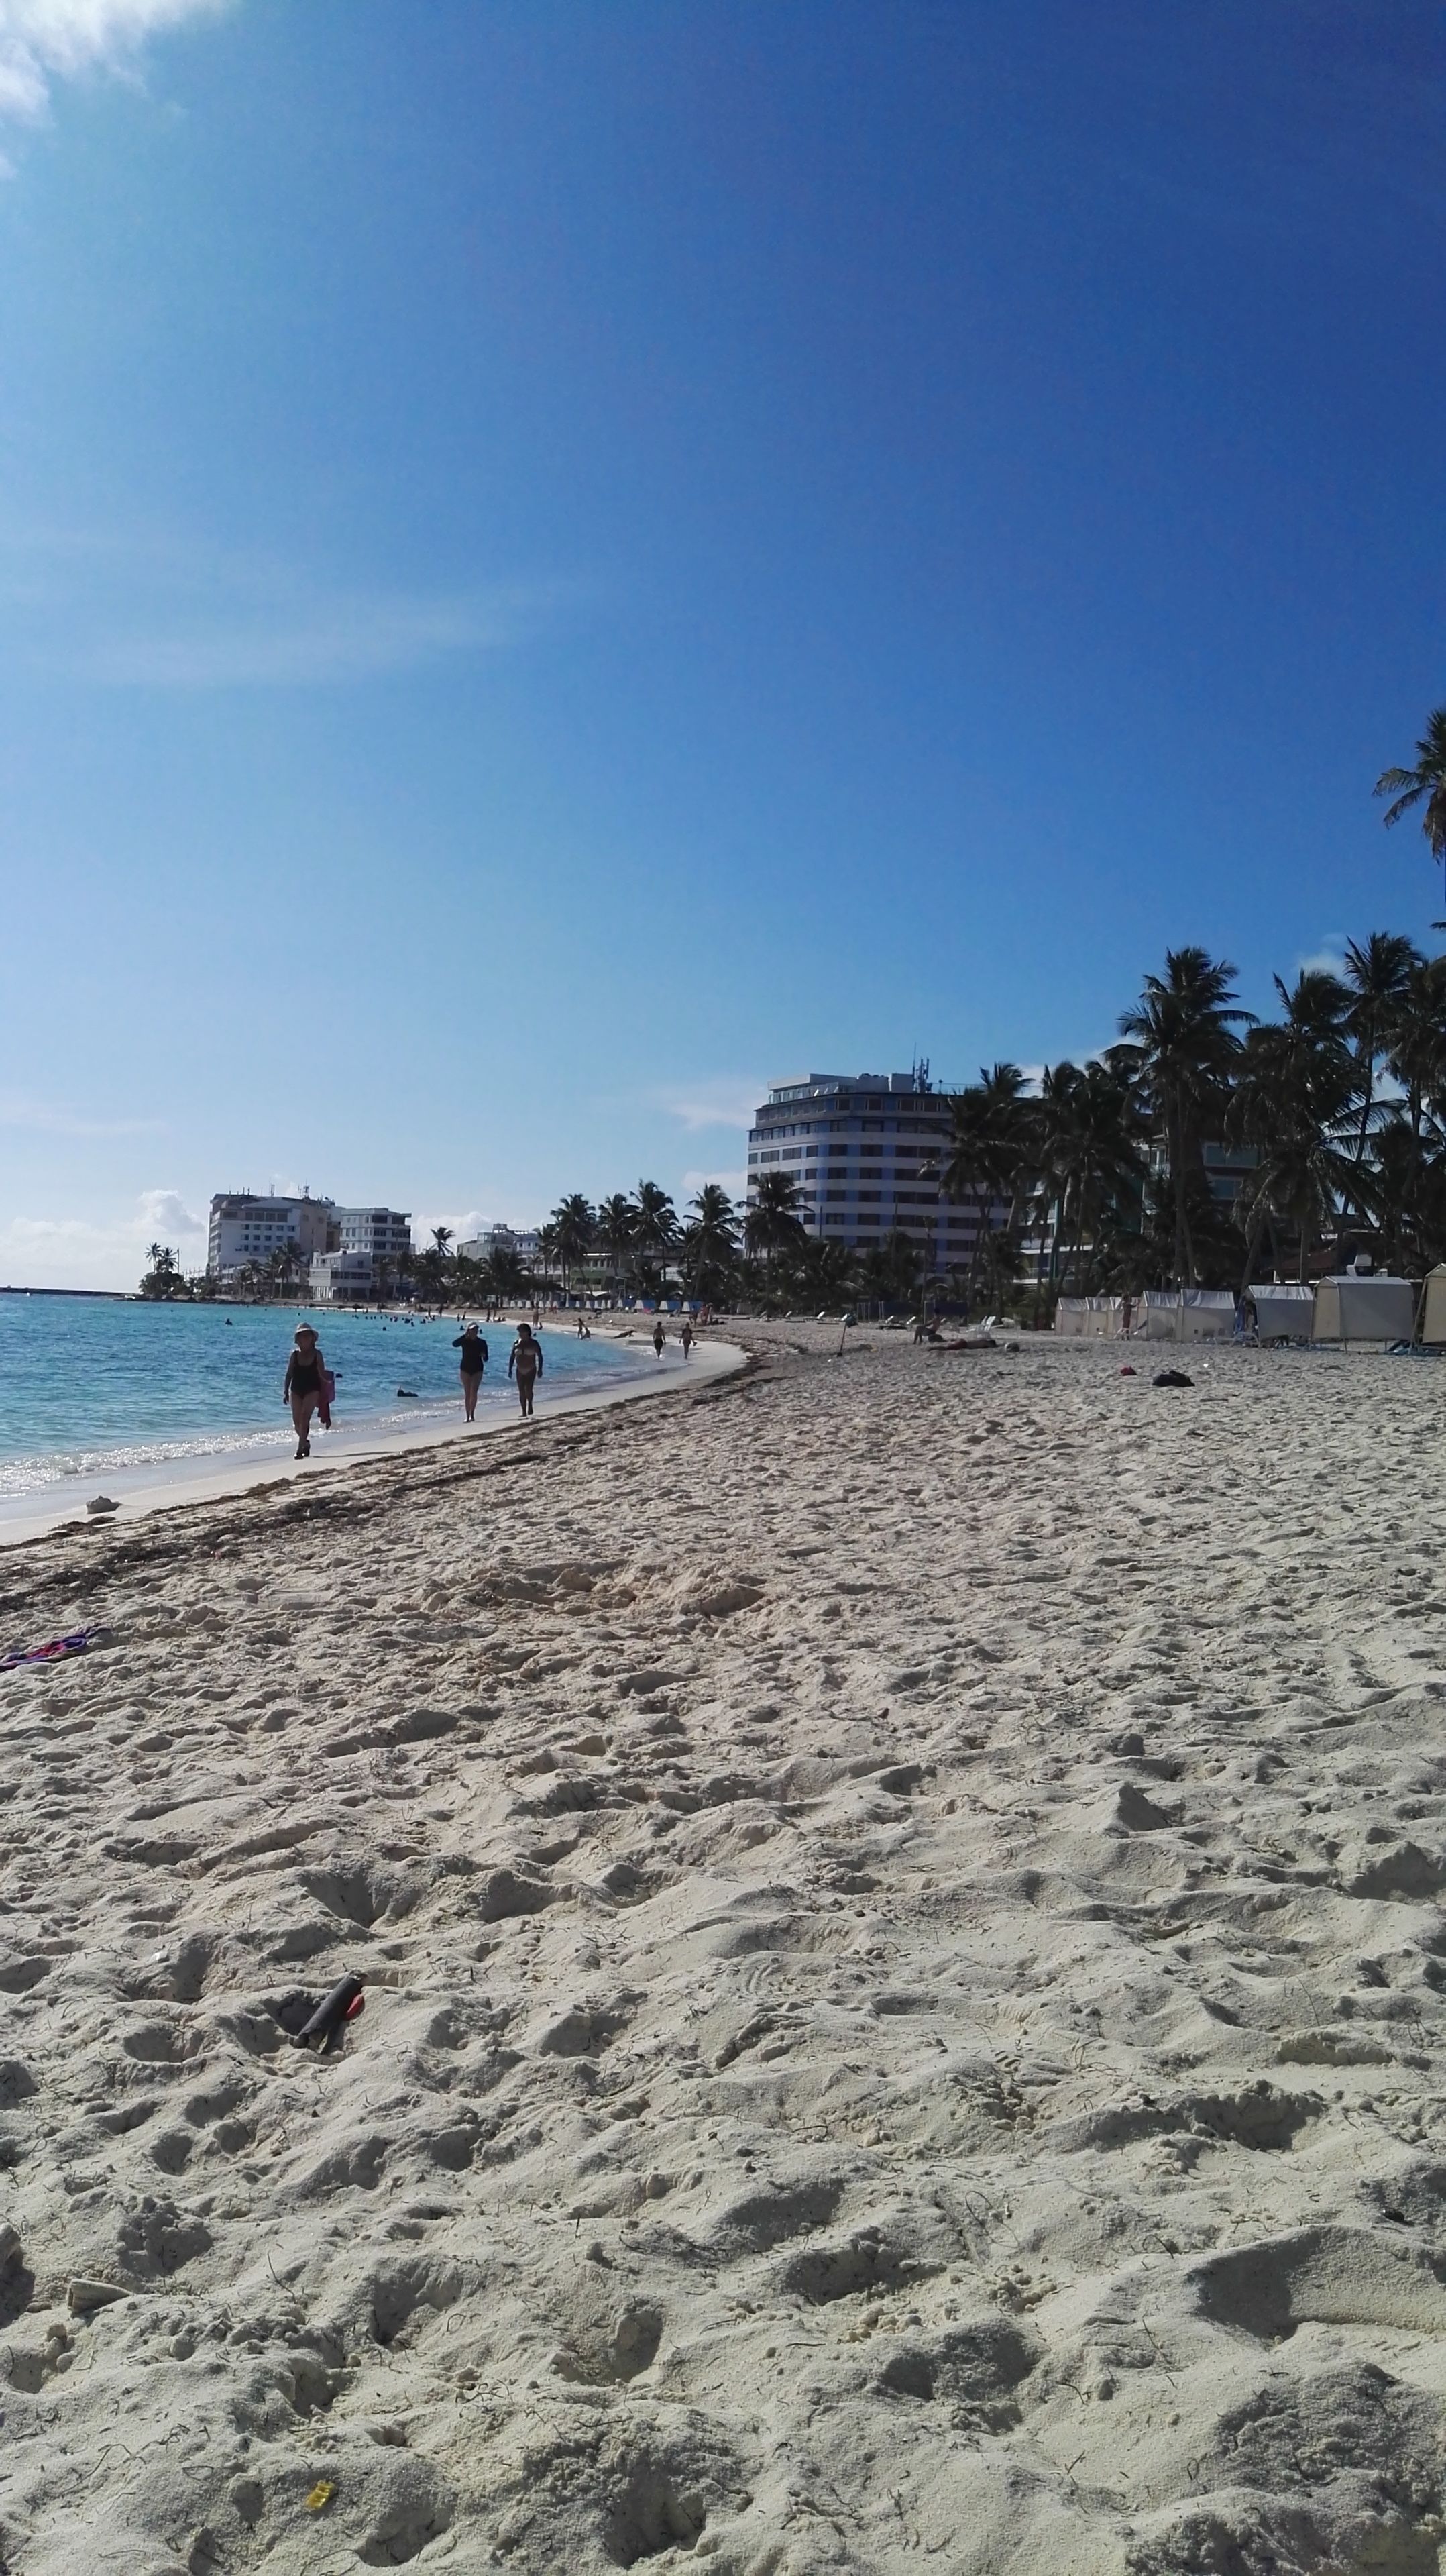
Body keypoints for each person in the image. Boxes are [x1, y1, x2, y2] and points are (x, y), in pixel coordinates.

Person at [283, 1323, 327, 1459]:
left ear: (312, 1339)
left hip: (313, 1389)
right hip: (296, 1389)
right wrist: (285, 1391)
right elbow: (289, 1374)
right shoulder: (294, 1356)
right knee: (297, 1421)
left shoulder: (317, 1355)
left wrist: (325, 1395)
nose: (305, 1339)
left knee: (305, 1418)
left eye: (308, 1336)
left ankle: (300, 1449)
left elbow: (322, 1375)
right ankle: (305, 1442)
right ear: (298, 1340)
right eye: (302, 1337)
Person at [453, 1322, 489, 1420]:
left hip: (477, 1369)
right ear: (469, 1331)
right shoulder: (465, 1341)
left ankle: (472, 1415)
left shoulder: (482, 1342)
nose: (475, 1331)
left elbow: (486, 1359)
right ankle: (467, 1416)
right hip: (465, 1368)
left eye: (476, 1329)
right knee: (467, 1392)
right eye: (473, 1329)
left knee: (474, 1391)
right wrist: (464, 1336)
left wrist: (484, 1356)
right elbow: (454, 1344)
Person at [508, 1320, 543, 1417]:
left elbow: (540, 1356)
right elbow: (512, 1357)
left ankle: (530, 1405)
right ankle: (524, 1411)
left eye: (522, 1332)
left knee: (528, 1389)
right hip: (519, 1369)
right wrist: (510, 1369)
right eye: (519, 1332)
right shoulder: (516, 1343)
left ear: (528, 1332)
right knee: (521, 1390)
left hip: (531, 1368)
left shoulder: (534, 1343)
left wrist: (540, 1369)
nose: (521, 1334)